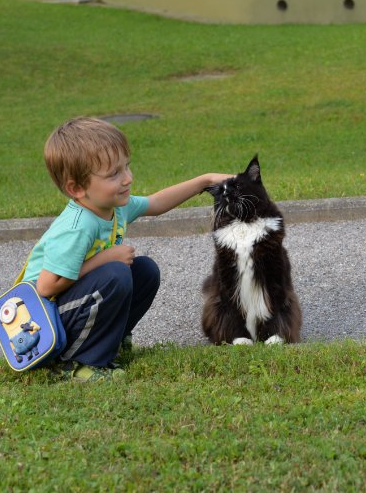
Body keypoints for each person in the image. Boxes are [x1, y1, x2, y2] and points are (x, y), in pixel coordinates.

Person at [20, 117, 232, 382]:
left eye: (126, 167)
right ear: (76, 188)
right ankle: (75, 364)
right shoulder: (77, 226)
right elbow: (46, 287)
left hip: (68, 306)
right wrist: (104, 259)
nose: (127, 179)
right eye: (113, 174)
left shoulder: (114, 207)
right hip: (42, 320)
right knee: (115, 273)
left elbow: (155, 203)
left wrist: (205, 180)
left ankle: (112, 341)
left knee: (144, 270)